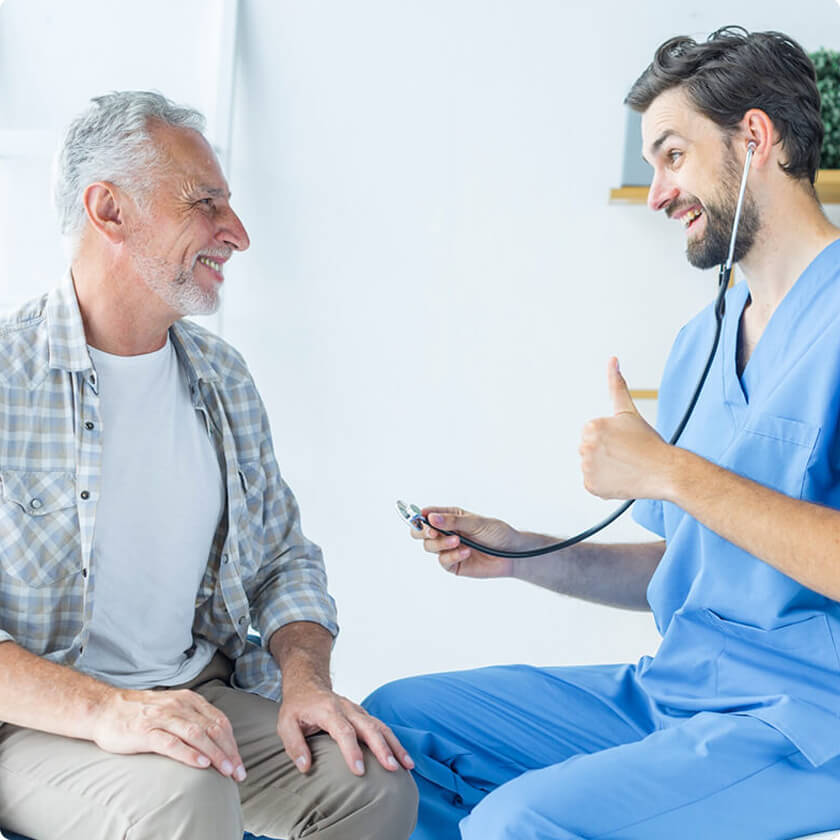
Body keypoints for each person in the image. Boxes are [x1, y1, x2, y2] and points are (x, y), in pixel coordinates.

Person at [363, 26, 840, 840]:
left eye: (673, 156)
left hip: (806, 719)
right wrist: (525, 553)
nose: (658, 193)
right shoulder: (702, 341)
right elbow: (695, 565)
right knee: (394, 729)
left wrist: (670, 471)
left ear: (754, 138)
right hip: (676, 692)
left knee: (518, 823)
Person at [0, 91, 417, 840]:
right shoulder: (7, 378)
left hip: (195, 692)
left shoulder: (223, 378)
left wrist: (306, 684)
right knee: (184, 794)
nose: (238, 233)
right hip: (33, 722)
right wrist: (108, 710)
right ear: (109, 210)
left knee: (371, 782)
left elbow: (283, 560)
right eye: (205, 203)